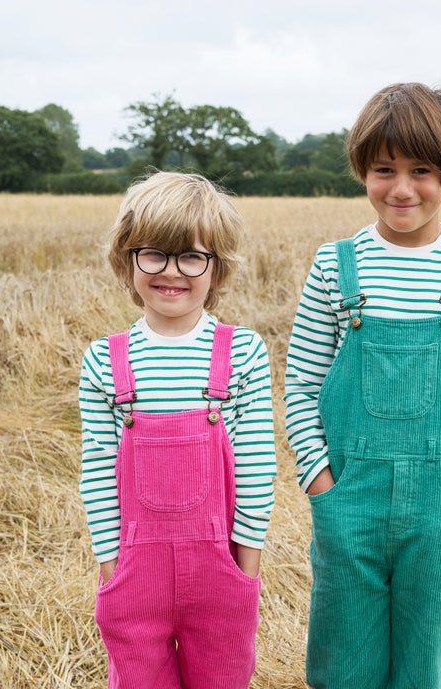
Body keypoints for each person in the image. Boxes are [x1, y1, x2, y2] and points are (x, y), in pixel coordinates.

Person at [285, 82, 441, 688]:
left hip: (438, 504)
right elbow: (302, 383)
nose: (401, 188)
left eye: (421, 170)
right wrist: (321, 482)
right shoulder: (335, 263)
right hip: (348, 501)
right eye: (383, 169)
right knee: (342, 666)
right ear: (362, 171)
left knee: (423, 666)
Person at [79, 171, 275, 688]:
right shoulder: (104, 360)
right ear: (128, 259)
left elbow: (256, 466)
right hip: (132, 576)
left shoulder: (243, 354)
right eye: (153, 254)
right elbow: (98, 471)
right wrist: (111, 570)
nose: (172, 272)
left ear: (217, 267)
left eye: (192, 256)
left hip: (221, 570)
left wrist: (245, 570)